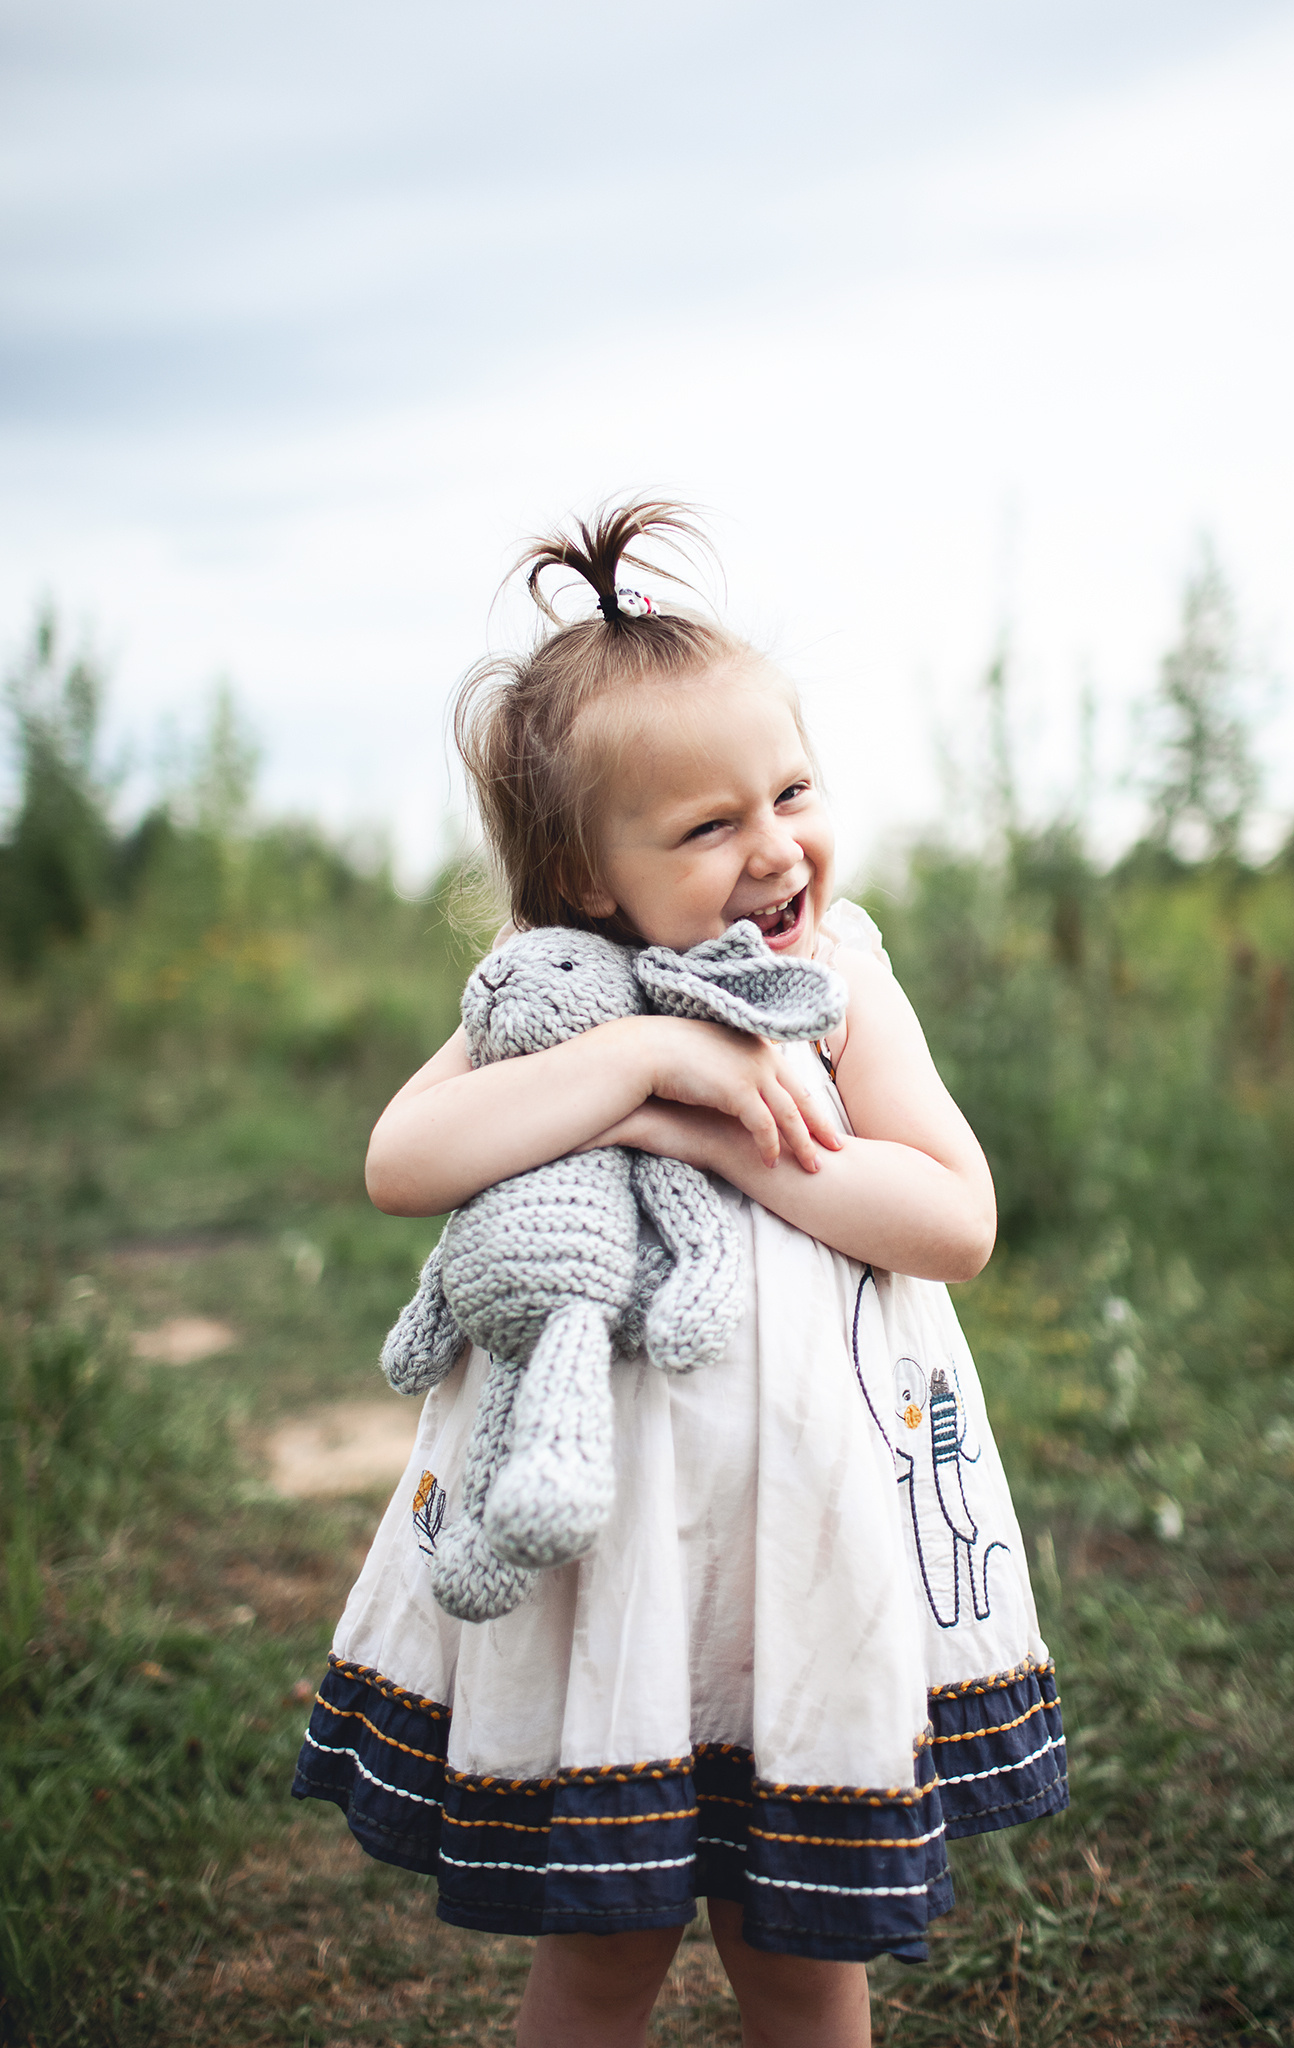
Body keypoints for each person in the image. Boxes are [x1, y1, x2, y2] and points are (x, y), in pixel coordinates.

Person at [292, 500, 1067, 2048]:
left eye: (791, 791)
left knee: (798, 1954)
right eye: (708, 828)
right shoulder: (555, 999)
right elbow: (402, 1159)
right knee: (605, 1949)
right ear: (586, 877)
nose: (773, 846)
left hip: (806, 1544)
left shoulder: (836, 984)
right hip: (624, 1564)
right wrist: (648, 1061)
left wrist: (718, 1136)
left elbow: (956, 1219)